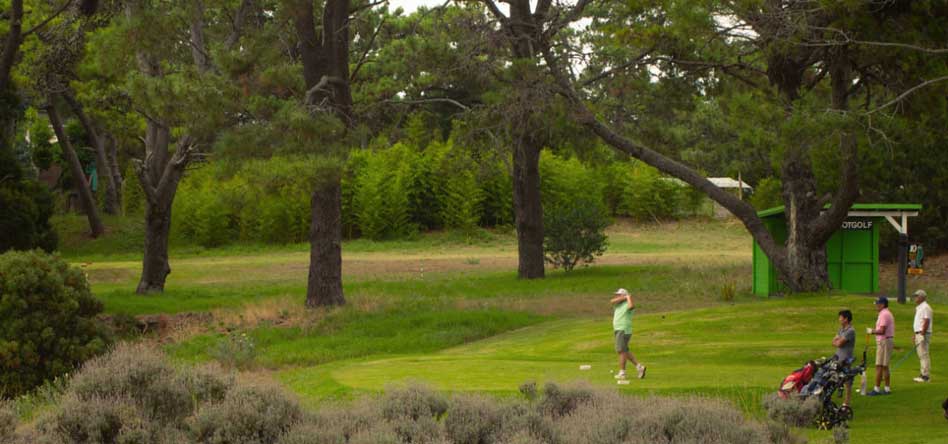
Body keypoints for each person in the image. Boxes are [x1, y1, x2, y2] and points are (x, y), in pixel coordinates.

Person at [611, 288, 646, 380]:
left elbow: (631, 307)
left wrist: (628, 298)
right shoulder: (618, 304)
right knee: (625, 350)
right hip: (618, 329)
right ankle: (639, 367)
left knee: (621, 351)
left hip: (623, 329)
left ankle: (622, 373)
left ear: (623, 295)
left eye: (618, 295)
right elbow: (612, 301)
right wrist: (625, 297)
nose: (617, 296)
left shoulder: (628, 303)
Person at [867, 296, 895, 396]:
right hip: (886, 341)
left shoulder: (884, 314)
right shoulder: (885, 313)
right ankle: (887, 388)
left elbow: (882, 331)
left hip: (884, 341)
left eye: (878, 304)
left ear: (882, 305)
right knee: (884, 366)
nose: (876, 306)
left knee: (879, 366)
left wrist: (872, 331)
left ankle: (877, 389)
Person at [832, 309, 856, 406]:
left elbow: (839, 343)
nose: (839, 319)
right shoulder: (841, 329)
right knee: (834, 378)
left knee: (847, 381)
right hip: (838, 357)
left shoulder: (850, 331)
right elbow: (833, 341)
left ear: (846, 319)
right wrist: (837, 342)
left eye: (840, 317)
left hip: (845, 359)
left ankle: (847, 402)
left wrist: (837, 342)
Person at [913, 289, 933, 383]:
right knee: (921, 355)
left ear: (922, 297)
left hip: (923, 333)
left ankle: (925, 376)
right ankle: (923, 374)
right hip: (919, 333)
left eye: (917, 296)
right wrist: (915, 334)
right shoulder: (919, 307)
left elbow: (926, 321)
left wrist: (922, 334)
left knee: (924, 354)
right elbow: (919, 322)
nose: (915, 298)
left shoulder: (925, 307)